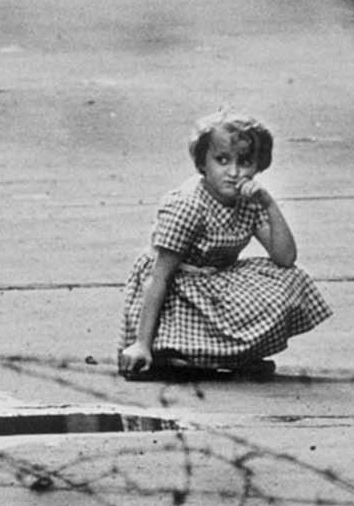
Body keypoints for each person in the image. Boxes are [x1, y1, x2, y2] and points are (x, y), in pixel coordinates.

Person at [118, 110, 331, 379]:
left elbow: (285, 258)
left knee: (289, 277)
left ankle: (231, 355)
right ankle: (168, 354)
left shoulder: (248, 199)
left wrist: (269, 204)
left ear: (258, 164)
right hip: (177, 289)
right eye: (222, 160)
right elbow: (157, 277)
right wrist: (141, 345)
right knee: (174, 331)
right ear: (202, 163)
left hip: (214, 282)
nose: (233, 172)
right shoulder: (188, 206)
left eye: (244, 162)